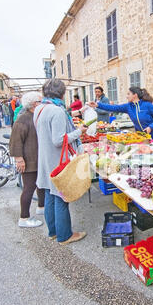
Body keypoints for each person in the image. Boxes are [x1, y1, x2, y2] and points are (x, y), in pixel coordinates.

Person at [33, 78, 88, 245]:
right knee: (61, 197)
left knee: (50, 195)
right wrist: (79, 132)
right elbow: (58, 140)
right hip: (57, 160)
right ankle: (65, 235)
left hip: (45, 158)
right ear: (61, 93)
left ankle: (53, 232)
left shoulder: (40, 108)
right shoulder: (57, 111)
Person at [9, 92, 45, 228]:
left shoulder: (35, 116)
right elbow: (15, 142)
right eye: (40, 101)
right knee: (29, 188)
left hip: (37, 158)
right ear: (35, 104)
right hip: (28, 160)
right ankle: (24, 218)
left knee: (41, 185)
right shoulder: (23, 119)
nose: (42, 103)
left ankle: (41, 207)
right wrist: (19, 160)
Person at [89, 87, 153, 142]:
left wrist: (150, 127)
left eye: (128, 94)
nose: (127, 96)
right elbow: (113, 108)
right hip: (142, 137)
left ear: (135, 95)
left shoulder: (147, 105)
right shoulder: (128, 106)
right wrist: (97, 105)